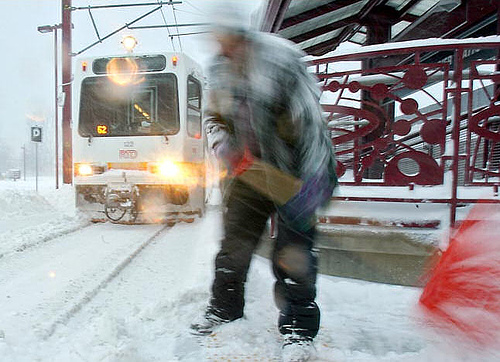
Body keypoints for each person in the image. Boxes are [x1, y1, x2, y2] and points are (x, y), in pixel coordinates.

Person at [190, 8, 337, 362]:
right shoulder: (219, 70)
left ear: (242, 35)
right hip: (249, 174)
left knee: (294, 254)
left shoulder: (281, 60)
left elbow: (310, 122)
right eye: (216, 42)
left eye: (227, 40)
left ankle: (299, 331)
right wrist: (225, 146)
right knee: (233, 248)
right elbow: (214, 118)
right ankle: (224, 310)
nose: (222, 48)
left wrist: (315, 179)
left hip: (296, 172)